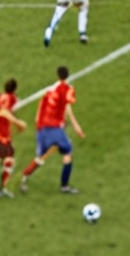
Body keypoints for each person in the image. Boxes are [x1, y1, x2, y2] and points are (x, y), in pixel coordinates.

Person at [20, 66, 85, 194]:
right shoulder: (67, 89)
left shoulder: (49, 90)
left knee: (41, 156)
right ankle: (64, 186)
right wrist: (76, 126)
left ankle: (24, 178)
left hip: (42, 127)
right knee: (68, 152)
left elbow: (40, 108)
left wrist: (38, 123)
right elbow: (67, 107)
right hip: (54, 128)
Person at [0, 78, 27, 197]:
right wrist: (18, 122)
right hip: (1, 136)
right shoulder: (10, 98)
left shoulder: (1, 96)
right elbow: (3, 111)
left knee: (2, 161)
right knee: (6, 162)